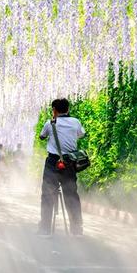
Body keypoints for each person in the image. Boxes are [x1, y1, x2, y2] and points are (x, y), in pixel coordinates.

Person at [37, 98, 85, 236]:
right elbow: (81, 134)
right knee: (71, 195)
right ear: (68, 109)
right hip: (69, 162)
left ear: (54, 110)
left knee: (47, 194)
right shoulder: (75, 122)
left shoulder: (50, 123)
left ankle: (45, 229)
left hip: (53, 162)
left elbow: (42, 136)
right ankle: (76, 229)